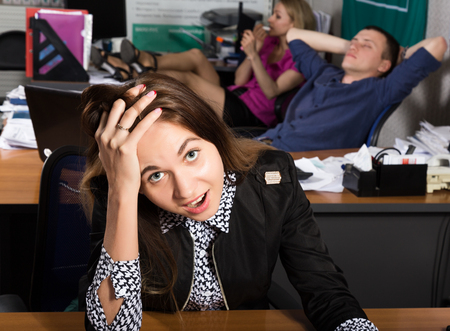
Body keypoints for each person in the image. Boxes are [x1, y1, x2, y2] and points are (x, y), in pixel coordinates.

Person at [80, 72, 379, 331]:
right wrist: (122, 190)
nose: (185, 191)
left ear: (216, 138)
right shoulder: (121, 191)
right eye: (155, 175)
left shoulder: (272, 180)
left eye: (191, 154)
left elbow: (325, 291)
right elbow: (110, 327)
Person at [91, 0, 315, 128]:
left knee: (187, 79)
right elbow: (239, 80)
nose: (270, 20)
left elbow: (271, 91)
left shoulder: (301, 60)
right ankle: (143, 62)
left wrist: (254, 56)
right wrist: (252, 51)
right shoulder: (270, 43)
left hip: (251, 113)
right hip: (237, 95)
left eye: (277, 16)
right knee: (197, 56)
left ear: (295, 22)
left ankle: (130, 71)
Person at [258, 26, 447, 151]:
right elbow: (294, 34)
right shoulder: (324, 72)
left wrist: (401, 54)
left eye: (367, 46)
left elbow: (437, 45)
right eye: (353, 41)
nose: (355, 46)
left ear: (384, 65)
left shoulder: (380, 91)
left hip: (291, 161)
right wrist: (350, 46)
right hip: (263, 143)